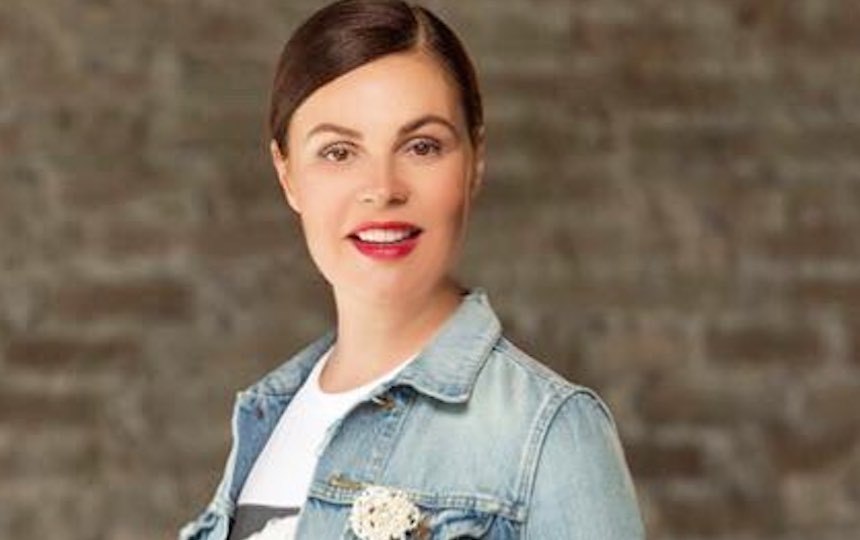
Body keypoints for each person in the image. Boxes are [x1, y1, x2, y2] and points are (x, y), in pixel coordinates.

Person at [179, 1, 644, 538]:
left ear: (475, 162)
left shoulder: (550, 434)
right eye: (339, 152)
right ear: (287, 175)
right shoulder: (268, 417)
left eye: (422, 146)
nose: (383, 188)